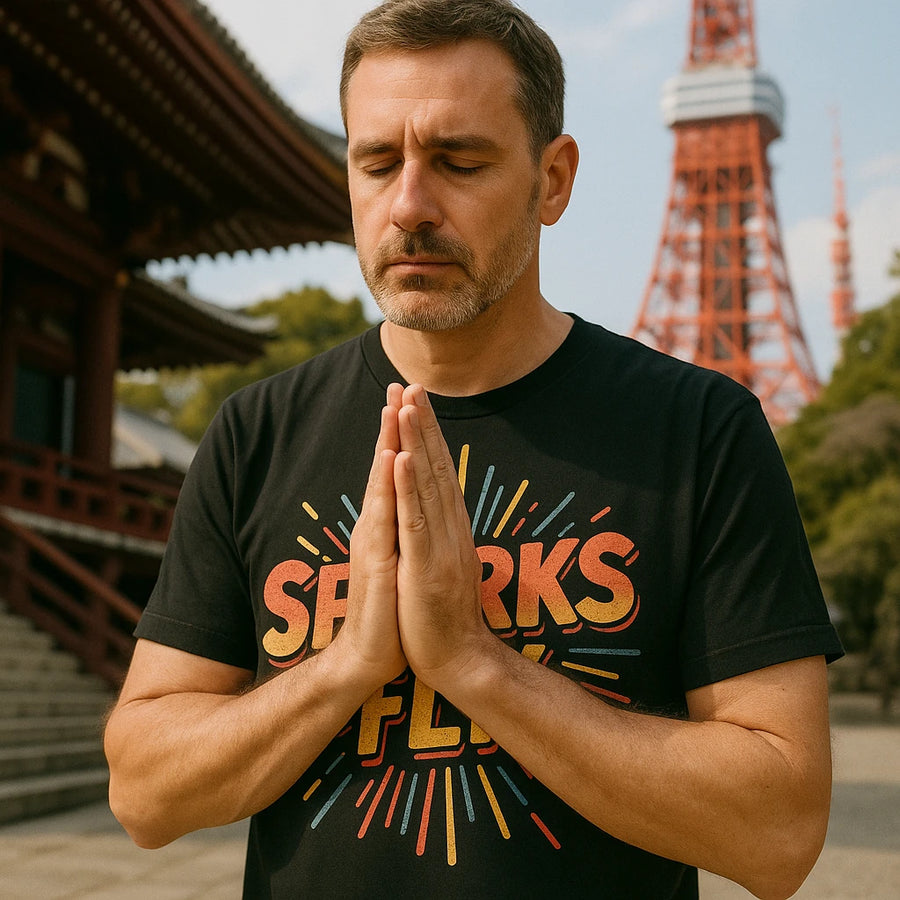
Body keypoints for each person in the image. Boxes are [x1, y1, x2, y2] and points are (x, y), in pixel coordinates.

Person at [104, 1, 843, 897]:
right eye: (378, 162)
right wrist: (346, 664)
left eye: (460, 161)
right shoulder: (255, 434)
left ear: (554, 179)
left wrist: (474, 662)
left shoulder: (700, 431)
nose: (410, 205)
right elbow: (143, 795)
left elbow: (780, 833)